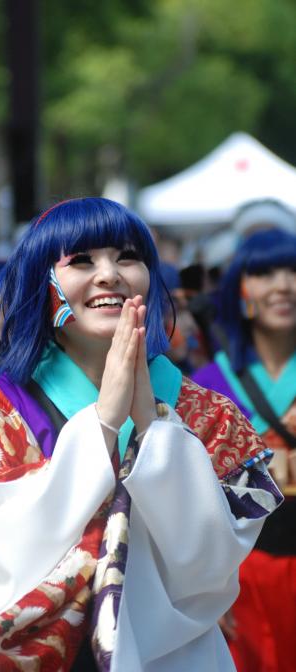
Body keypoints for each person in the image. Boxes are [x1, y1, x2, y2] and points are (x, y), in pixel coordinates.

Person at [0, 198, 281, 671]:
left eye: (127, 257)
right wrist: (102, 425)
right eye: (81, 260)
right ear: (41, 281)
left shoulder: (205, 410)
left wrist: (156, 433)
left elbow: (211, 568)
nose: (110, 274)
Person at [193, 228, 296, 672]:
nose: (283, 285)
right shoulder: (208, 386)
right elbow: (191, 501)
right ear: (242, 290)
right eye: (264, 273)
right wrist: (202, 588)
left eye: (293, 271)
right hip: (239, 577)